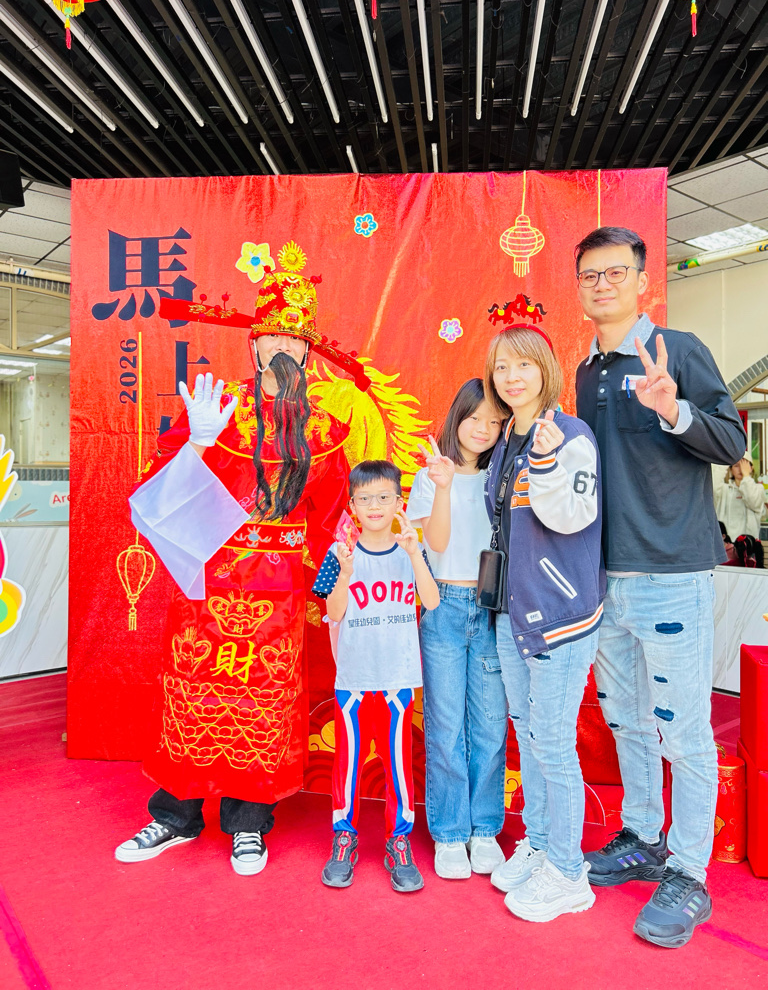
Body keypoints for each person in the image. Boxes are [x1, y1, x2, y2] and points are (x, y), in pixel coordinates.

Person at [115, 242, 367, 875]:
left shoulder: (323, 428)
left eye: (293, 340)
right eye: (270, 337)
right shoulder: (217, 403)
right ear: (254, 345)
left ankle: (249, 822)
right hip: (209, 582)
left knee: (262, 700)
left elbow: (333, 516)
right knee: (195, 692)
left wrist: (330, 584)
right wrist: (196, 444)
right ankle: (175, 815)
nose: (281, 348)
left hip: (280, 591)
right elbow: (156, 489)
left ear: (307, 353)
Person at [573, 226, 747, 948]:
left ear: (643, 281)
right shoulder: (585, 372)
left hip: (671, 575)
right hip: (603, 579)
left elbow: (732, 443)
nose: (603, 284)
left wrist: (674, 409)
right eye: (591, 275)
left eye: (616, 272)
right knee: (626, 721)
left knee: (683, 729)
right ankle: (643, 836)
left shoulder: (678, 349)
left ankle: (689, 872)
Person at [483, 323, 605, 923]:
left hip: (559, 614)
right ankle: (539, 842)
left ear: (545, 371)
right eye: (502, 367)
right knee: (528, 732)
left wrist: (548, 459)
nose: (512, 377)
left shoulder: (570, 434)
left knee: (553, 741)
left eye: (523, 365)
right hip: (513, 611)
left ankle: (568, 871)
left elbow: (572, 517)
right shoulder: (506, 436)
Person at [312, 460, 440, 892]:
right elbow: (332, 612)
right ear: (352, 505)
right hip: (353, 678)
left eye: (384, 497)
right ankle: (344, 837)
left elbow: (432, 601)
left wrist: (415, 554)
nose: (375, 505)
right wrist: (346, 575)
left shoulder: (411, 548)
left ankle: (398, 840)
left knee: (398, 765)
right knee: (347, 763)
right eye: (365, 499)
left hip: (397, 678)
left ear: (398, 502)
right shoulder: (339, 553)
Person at [406, 379, 509, 880]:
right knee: (446, 727)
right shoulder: (431, 474)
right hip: (443, 606)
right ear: (457, 417)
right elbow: (438, 543)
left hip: (492, 608)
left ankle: (484, 829)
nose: (483, 429)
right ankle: (449, 833)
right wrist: (444, 486)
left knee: (490, 726)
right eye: (475, 418)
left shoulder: (503, 475)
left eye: (495, 421)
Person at [714, 454, 764, 539]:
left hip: (747, 544)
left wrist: (746, 476)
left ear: (751, 468)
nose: (741, 469)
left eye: (744, 466)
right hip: (726, 543)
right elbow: (714, 482)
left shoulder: (758, 489)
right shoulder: (724, 489)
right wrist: (727, 458)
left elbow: (753, 501)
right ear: (731, 469)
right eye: (736, 466)